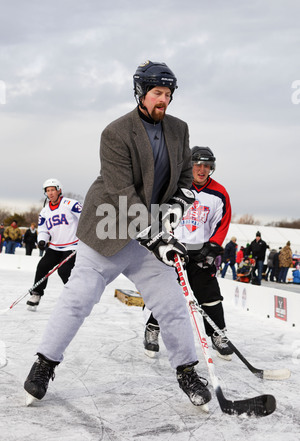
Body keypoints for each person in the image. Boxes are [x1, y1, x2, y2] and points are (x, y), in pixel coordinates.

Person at [24, 61, 212, 408]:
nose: (163, 101)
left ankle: (187, 370)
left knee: (171, 304)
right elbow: (123, 192)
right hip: (107, 231)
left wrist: (171, 213)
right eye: (157, 93)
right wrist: (157, 235)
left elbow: (185, 182)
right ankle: (44, 364)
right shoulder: (116, 132)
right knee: (77, 299)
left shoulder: (179, 130)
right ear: (141, 92)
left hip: (148, 237)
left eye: (168, 94)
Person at [144, 146, 233, 361]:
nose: (202, 170)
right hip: (174, 248)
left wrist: (213, 246)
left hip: (201, 250)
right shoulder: (176, 187)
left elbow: (222, 222)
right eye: (197, 165)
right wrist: (163, 240)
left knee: (209, 294)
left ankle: (218, 335)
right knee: (167, 294)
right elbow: (158, 215)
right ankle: (152, 329)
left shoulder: (219, 193)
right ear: (189, 165)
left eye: (206, 166)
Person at [26, 179, 82, 310]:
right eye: (47, 191)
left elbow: (85, 217)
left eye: (52, 190)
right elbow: (43, 229)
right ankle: (36, 294)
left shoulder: (70, 204)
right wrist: (42, 240)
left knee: (64, 271)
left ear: (59, 190)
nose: (50, 193)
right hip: (55, 247)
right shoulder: (45, 211)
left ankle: (75, 297)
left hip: (72, 246)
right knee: (42, 266)